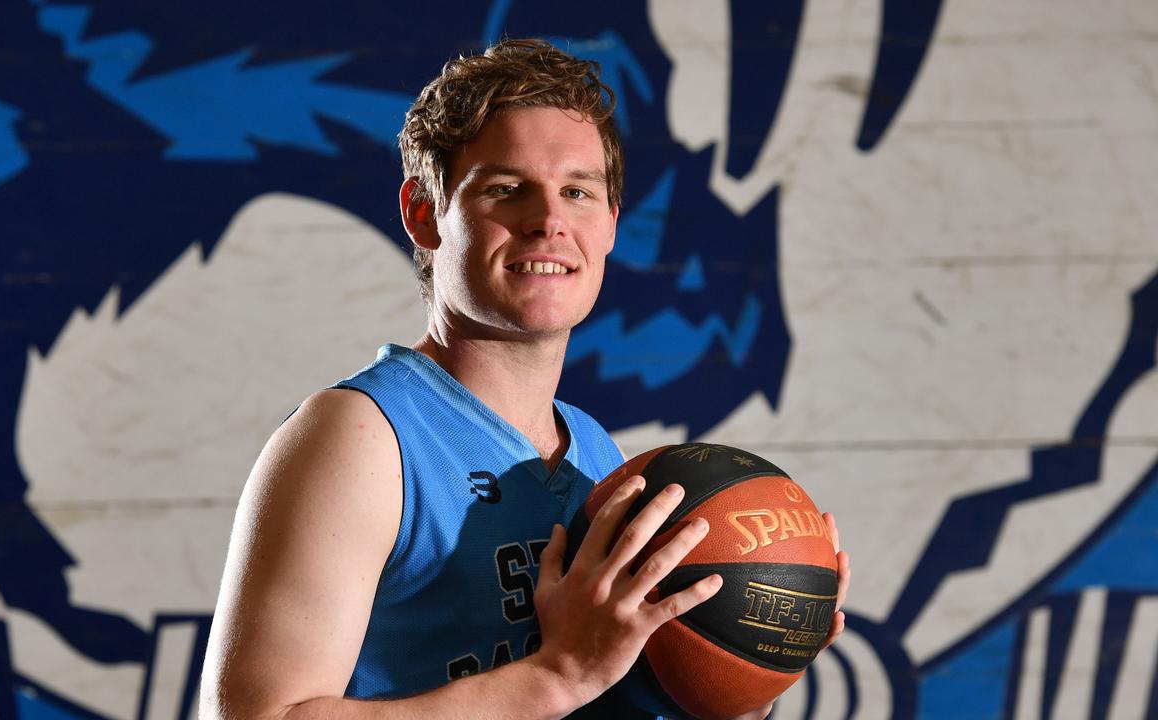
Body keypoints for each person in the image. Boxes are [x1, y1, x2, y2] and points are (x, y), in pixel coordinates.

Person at [200, 38, 850, 719]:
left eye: (577, 191)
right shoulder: (363, 435)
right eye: (506, 190)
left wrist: (740, 676)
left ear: (608, 226)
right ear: (424, 213)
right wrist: (555, 679)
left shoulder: (600, 454)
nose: (548, 221)